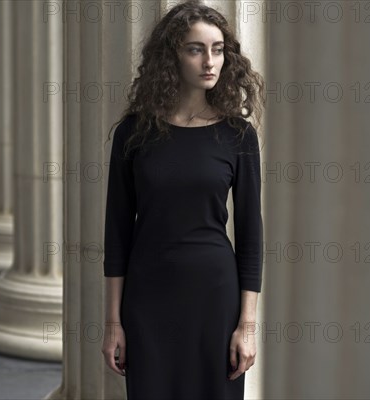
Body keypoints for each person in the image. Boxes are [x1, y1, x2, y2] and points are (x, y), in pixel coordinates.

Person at [101, 1, 265, 398]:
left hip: (215, 299)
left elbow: (250, 235)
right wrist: (113, 323)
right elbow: (117, 232)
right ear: (171, 55)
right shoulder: (134, 134)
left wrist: (246, 327)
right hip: (149, 298)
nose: (210, 61)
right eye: (195, 48)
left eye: (218, 49)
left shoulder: (238, 136)